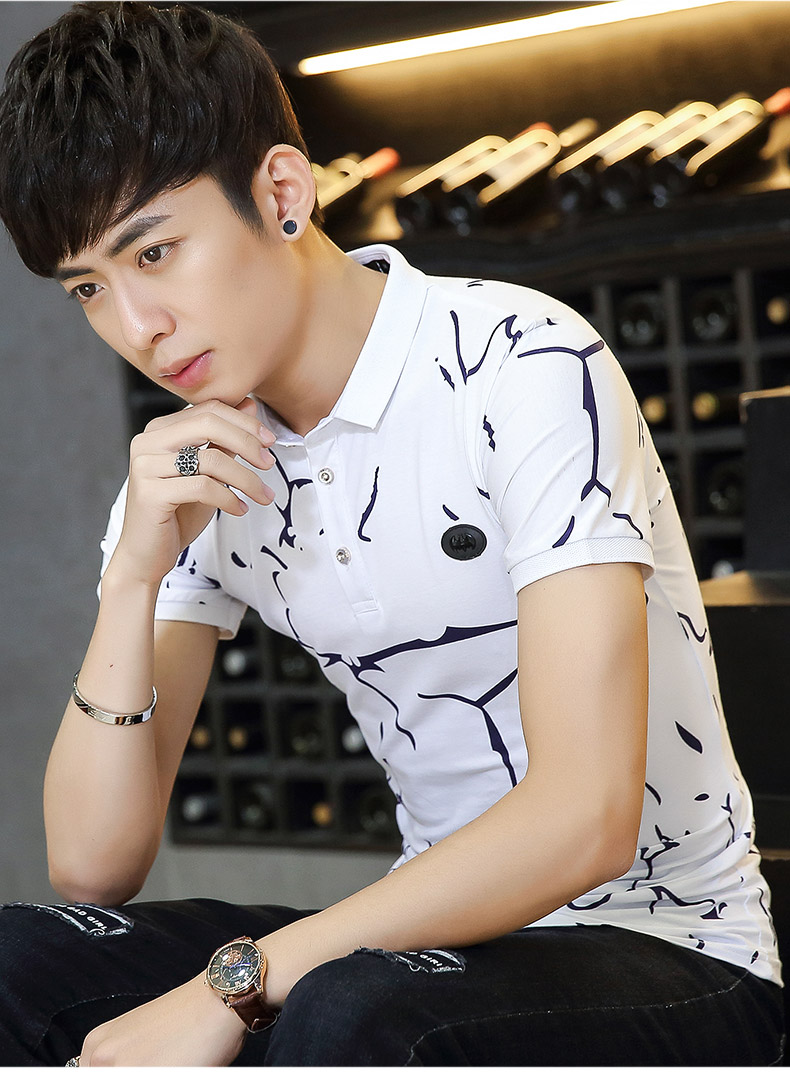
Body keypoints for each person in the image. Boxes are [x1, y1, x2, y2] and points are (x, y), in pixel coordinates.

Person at [0, 1, 783, 1067]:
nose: (138, 327)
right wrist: (137, 572)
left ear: (282, 194)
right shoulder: (200, 462)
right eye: (91, 288)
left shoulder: (520, 362)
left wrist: (240, 981)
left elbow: (584, 818)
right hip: (434, 948)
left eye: (158, 252)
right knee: (18, 961)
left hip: (673, 946)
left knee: (345, 1012)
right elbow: (94, 865)